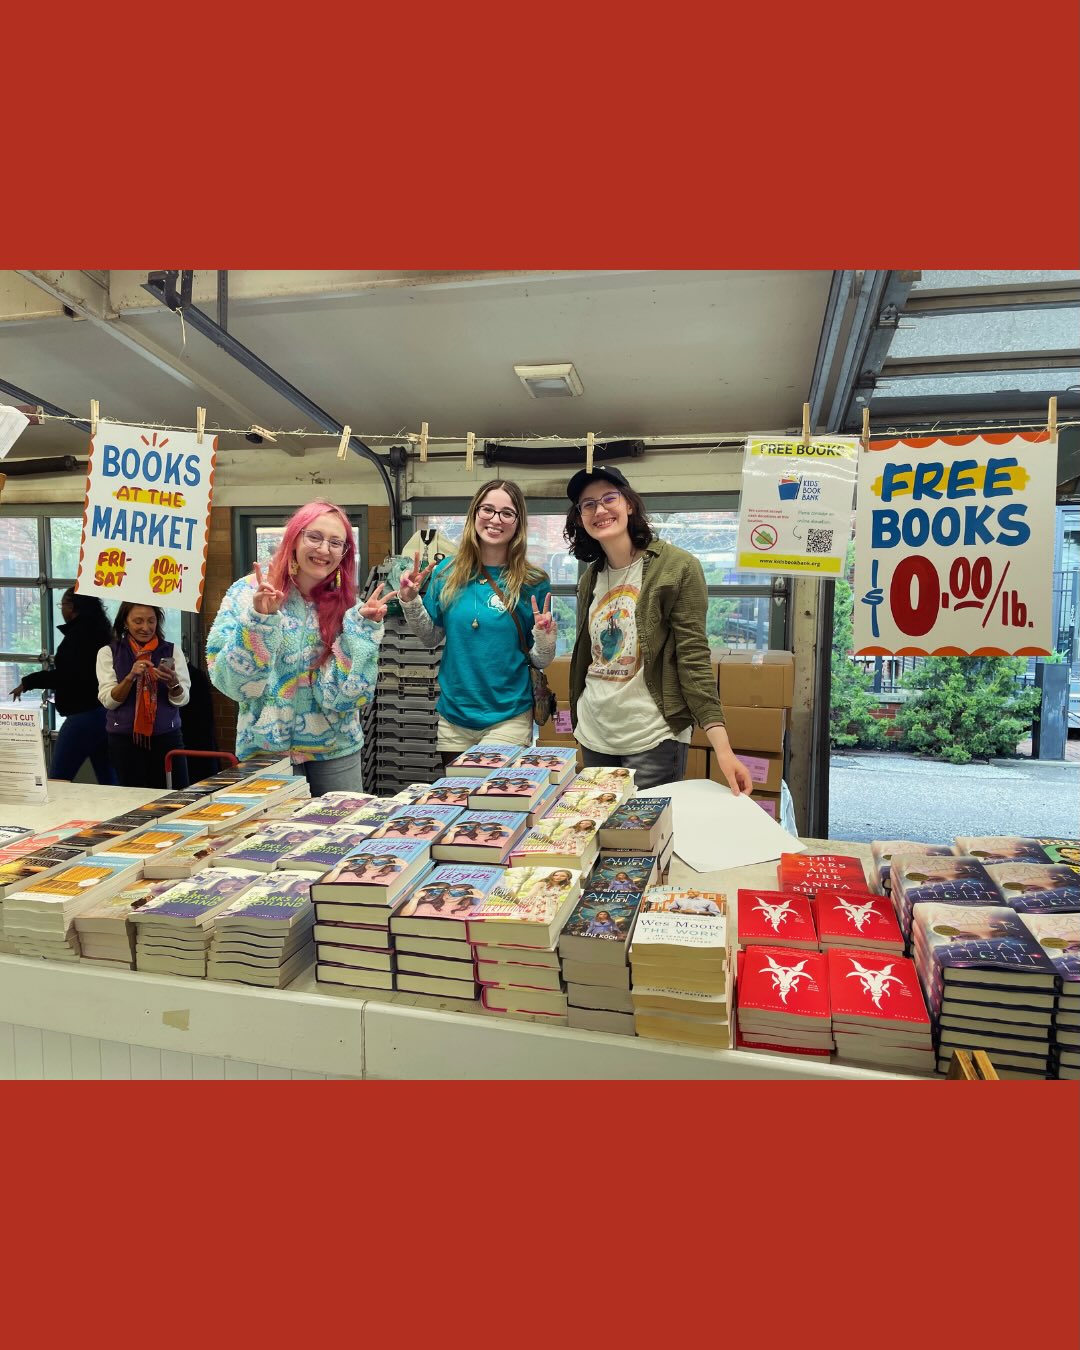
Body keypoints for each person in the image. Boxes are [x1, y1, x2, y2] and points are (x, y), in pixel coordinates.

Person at [564, 464, 753, 794]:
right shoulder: (589, 579)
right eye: (588, 504)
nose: (600, 510)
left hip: (652, 738)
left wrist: (723, 749)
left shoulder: (677, 567)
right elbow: (589, 658)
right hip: (595, 733)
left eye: (610, 498)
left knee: (643, 843)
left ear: (629, 504)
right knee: (603, 838)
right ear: (580, 517)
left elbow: (693, 660)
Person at [206, 500, 387, 796]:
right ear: (294, 537)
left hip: (336, 749)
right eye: (314, 537)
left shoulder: (349, 605)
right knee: (268, 839)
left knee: (341, 835)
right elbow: (232, 684)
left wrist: (363, 632)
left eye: (335, 542)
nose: (324, 549)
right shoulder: (247, 592)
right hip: (265, 750)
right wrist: (258, 623)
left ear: (344, 553)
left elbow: (351, 695)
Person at [394, 479, 555, 767]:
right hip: (454, 716)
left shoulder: (533, 581)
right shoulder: (446, 572)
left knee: (497, 803)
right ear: (474, 514)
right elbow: (430, 637)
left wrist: (545, 637)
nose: (496, 519)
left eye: (507, 513)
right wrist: (410, 600)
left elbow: (539, 660)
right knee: (458, 802)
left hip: (508, 716)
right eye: (488, 510)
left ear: (518, 523)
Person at [10, 589, 115, 783]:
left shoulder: (77, 638)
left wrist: (29, 681)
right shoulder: (102, 633)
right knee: (109, 779)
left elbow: (66, 676)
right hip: (105, 715)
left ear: (73, 608)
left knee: (58, 780)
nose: (62, 610)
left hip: (83, 717)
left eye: (62, 605)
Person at [96, 602, 191, 788]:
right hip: (125, 741)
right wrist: (130, 677)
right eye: (138, 621)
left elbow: (182, 699)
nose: (145, 627)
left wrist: (173, 682)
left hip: (167, 738)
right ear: (125, 622)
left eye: (151, 621)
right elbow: (109, 701)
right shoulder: (108, 653)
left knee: (176, 797)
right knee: (132, 803)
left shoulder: (171, 651)